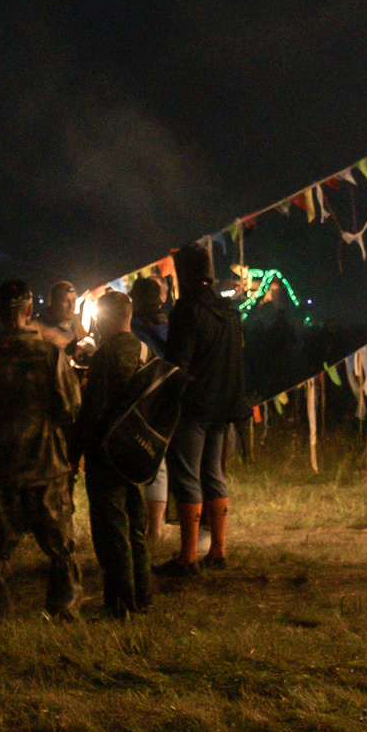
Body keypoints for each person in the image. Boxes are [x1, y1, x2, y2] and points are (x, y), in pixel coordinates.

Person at [0, 279, 81, 620]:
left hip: (3, 466)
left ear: (1, 314)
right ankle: (64, 610)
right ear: (30, 311)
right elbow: (70, 407)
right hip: (47, 465)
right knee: (60, 547)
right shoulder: (50, 355)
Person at [74, 291, 164, 617]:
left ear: (108, 318)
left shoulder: (105, 357)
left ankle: (120, 603)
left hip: (105, 456)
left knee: (111, 531)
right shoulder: (147, 351)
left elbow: (92, 412)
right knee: (136, 529)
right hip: (135, 455)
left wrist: (74, 454)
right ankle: (144, 597)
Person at [161, 244, 245, 577]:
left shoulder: (187, 311)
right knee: (213, 474)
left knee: (186, 476)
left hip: (194, 406)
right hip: (224, 405)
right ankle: (218, 552)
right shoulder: (230, 312)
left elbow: (176, 365)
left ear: (186, 274)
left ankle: (187, 558)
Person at [129, 277, 172, 540]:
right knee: (161, 463)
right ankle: (155, 530)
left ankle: (145, 529)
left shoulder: (134, 326)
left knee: (140, 460)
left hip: (141, 397)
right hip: (167, 395)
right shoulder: (170, 326)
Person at [34, 280, 90, 366]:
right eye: (66, 301)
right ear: (53, 302)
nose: (71, 306)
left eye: (73, 301)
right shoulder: (37, 326)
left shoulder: (74, 320)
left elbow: (83, 343)